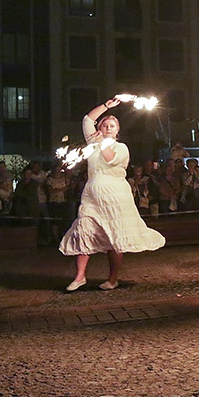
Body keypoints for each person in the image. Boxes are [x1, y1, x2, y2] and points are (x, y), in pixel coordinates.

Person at [60, 98, 166, 292]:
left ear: (117, 130)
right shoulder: (93, 142)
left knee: (114, 235)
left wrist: (101, 142)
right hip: (93, 193)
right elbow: (86, 120)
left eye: (112, 125)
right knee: (84, 230)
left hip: (115, 194)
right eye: (105, 124)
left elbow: (110, 160)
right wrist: (106, 106)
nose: (108, 127)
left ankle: (112, 278)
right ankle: (80, 276)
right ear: (99, 127)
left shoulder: (120, 148)